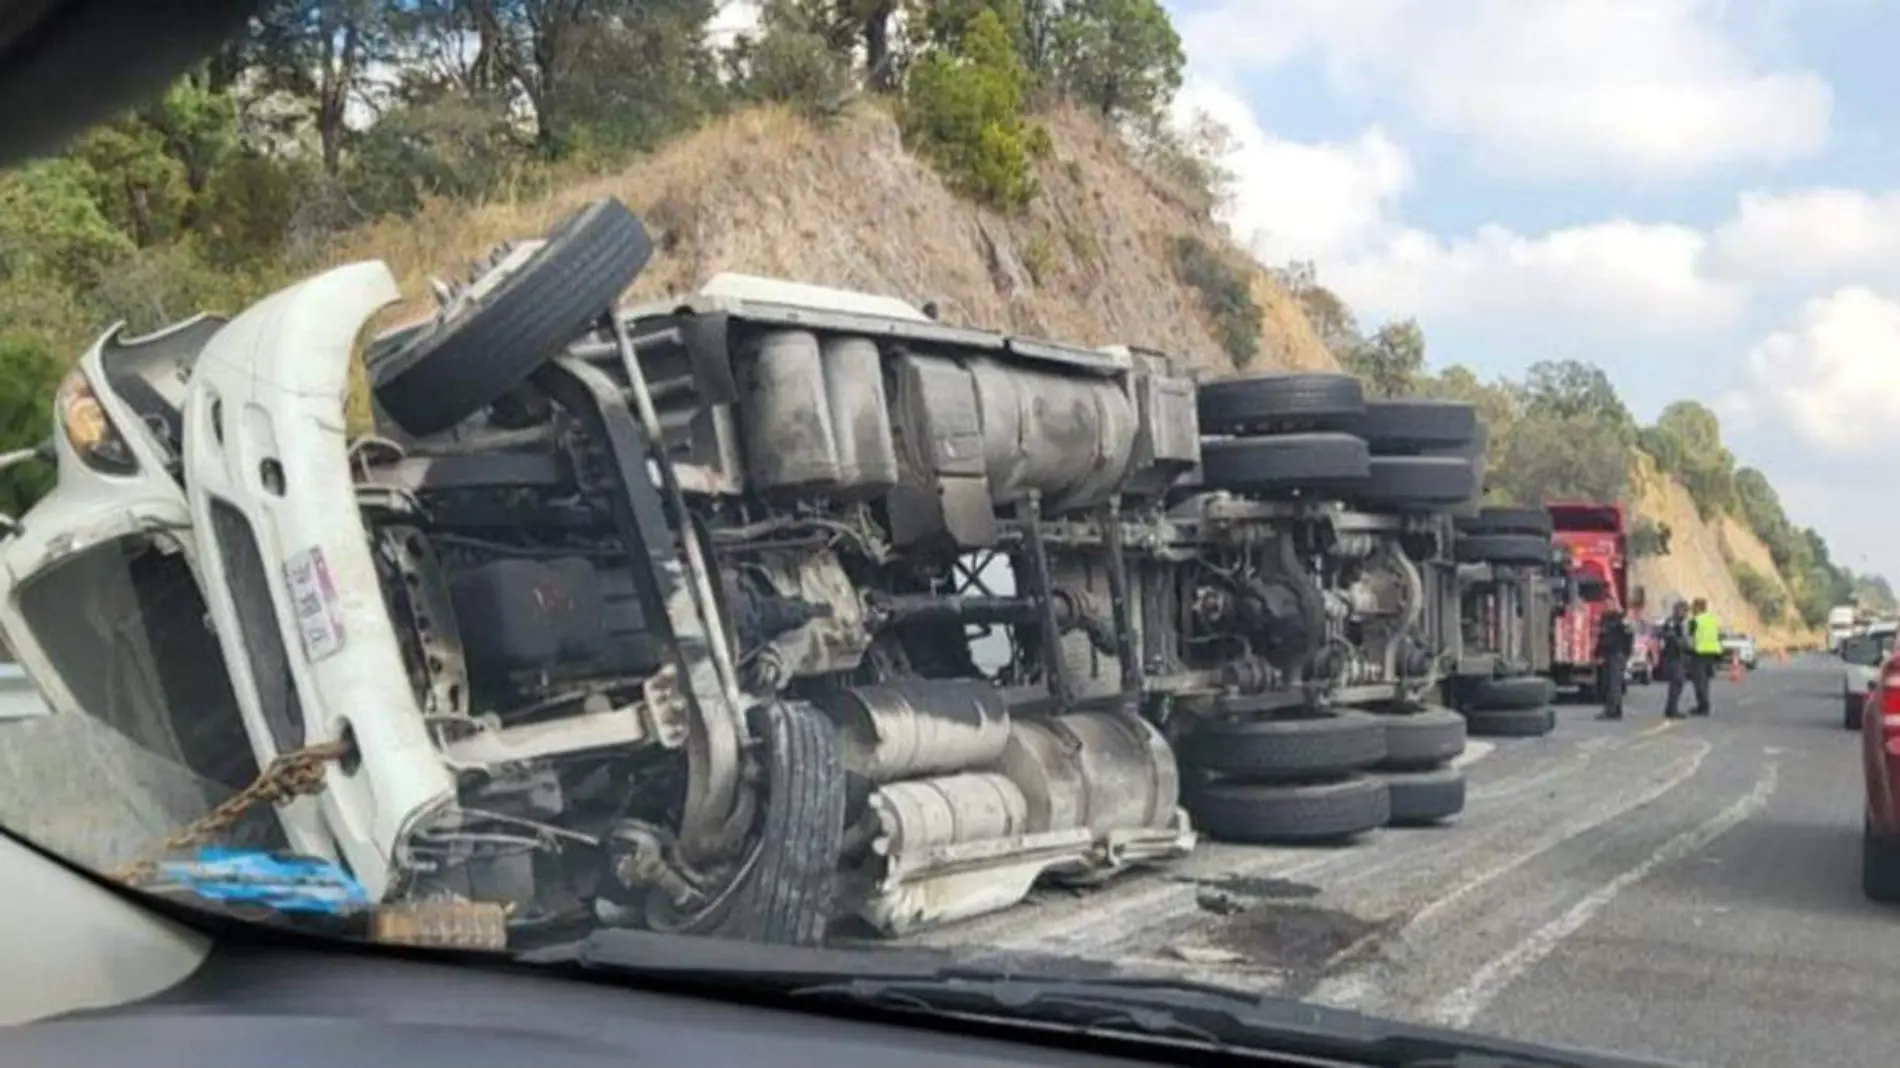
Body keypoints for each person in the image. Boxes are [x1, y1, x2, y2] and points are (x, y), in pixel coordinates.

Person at [1595, 607, 1635, 720]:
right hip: (1614, 655)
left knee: (1613, 684)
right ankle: (1616, 710)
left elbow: (1627, 638)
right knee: (1614, 683)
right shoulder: (1613, 623)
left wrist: (1626, 653)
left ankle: (1611, 711)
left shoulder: (1617, 624)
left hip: (1616, 655)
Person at [1689, 597, 1722, 717]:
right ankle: (1704, 705)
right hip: (1712, 653)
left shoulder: (1695, 620)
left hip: (1699, 652)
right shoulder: (1711, 619)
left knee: (1699, 681)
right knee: (1706, 681)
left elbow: (1689, 636)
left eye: (1693, 607)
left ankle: (1703, 706)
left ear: (1698, 608)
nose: (1692, 610)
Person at [1659, 600, 1692, 719]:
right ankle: (1672, 710)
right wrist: (1679, 642)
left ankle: (1671, 708)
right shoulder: (1673, 622)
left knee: (1676, 683)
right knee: (1677, 681)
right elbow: (1666, 634)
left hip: (1678, 656)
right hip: (1672, 656)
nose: (1685, 613)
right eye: (1683, 611)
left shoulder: (1680, 623)